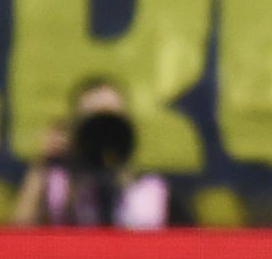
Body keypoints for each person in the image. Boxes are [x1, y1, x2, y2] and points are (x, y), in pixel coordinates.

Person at [11, 77, 179, 229]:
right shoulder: (58, 189)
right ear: (76, 129)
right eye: (94, 122)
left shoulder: (153, 193)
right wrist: (43, 163)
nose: (103, 134)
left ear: (127, 124)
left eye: (110, 120)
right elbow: (19, 240)